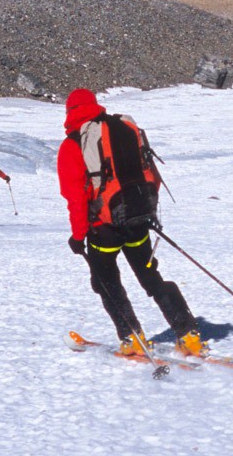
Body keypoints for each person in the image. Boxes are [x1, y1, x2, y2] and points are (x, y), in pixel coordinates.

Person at [57, 88, 205, 358]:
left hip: (104, 229)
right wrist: (143, 210)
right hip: (137, 220)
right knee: (150, 276)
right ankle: (189, 334)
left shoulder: (74, 143)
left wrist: (78, 236)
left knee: (106, 281)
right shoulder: (124, 129)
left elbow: (75, 197)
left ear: (69, 112)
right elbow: (150, 174)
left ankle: (132, 337)